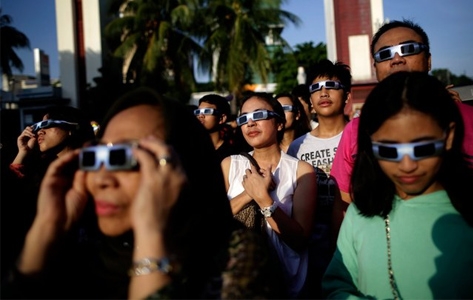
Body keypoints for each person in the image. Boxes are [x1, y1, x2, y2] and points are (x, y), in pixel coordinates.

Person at [2, 87, 276, 299]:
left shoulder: (233, 254)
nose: (103, 179)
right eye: (99, 157)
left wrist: (151, 232)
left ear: (184, 168)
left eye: (128, 157)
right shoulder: (82, 245)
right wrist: (45, 232)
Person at [322, 71, 473, 299]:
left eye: (422, 148)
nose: (407, 165)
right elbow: (337, 285)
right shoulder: (360, 214)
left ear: (449, 137)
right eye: (388, 150)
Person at [331, 19, 473, 211]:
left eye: (409, 49)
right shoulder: (355, 130)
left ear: (428, 61)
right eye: (385, 54)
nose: (397, 59)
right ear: (375, 68)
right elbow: (343, 204)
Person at [221, 91, 317, 298]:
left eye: (259, 116)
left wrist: (265, 200)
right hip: (239, 279)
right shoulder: (229, 165)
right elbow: (215, 222)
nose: (250, 124)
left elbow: (300, 239)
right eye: (244, 118)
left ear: (279, 123)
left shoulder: (301, 171)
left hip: (287, 282)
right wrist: (249, 193)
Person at [2, 105, 95, 281]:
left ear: (72, 128)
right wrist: (22, 154)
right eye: (37, 127)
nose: (39, 131)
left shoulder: (94, 174)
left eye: (47, 125)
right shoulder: (36, 175)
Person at [286, 59, 351, 298]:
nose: (323, 92)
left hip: (354, 244)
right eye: (316, 88)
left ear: (347, 95)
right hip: (311, 252)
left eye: (331, 85)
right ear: (310, 102)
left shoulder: (360, 136)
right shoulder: (297, 146)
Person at [195, 94, 239, 162]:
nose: (200, 116)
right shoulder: (191, 151)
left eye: (207, 111)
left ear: (222, 118)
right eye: (198, 112)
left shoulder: (232, 155)